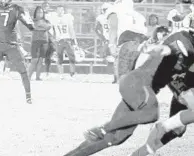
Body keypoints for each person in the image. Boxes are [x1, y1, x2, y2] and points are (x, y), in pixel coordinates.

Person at [63, 30, 194, 156]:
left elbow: (180, 90)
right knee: (151, 113)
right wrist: (159, 49)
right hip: (139, 83)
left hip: (139, 92)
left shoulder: (189, 60)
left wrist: (177, 123)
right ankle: (103, 128)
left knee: (115, 138)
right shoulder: (185, 40)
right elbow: (171, 48)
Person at [28, 6, 51, 81]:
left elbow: (48, 27)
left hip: (44, 41)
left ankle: (38, 77)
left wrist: (41, 26)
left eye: (41, 12)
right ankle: (28, 77)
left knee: (41, 60)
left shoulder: (46, 21)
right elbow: (33, 28)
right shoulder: (33, 20)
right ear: (35, 13)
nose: (40, 13)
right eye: (38, 12)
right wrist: (41, 26)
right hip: (35, 41)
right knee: (34, 60)